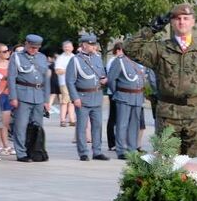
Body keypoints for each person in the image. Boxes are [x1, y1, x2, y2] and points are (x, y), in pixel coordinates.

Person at [126, 3, 197, 156]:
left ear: (193, 21)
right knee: (166, 165)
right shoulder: (160, 49)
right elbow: (130, 48)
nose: (182, 22)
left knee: (194, 166)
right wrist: (152, 28)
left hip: (196, 115)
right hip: (167, 116)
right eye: (177, 18)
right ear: (171, 22)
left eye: (186, 18)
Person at [65, 33, 109, 161]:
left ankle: (97, 151)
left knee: (97, 125)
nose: (93, 46)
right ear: (84, 45)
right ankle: (83, 152)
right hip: (83, 97)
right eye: (91, 44)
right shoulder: (75, 60)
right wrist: (75, 98)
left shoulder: (97, 58)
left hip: (96, 96)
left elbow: (102, 74)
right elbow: (70, 81)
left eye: (94, 44)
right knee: (82, 126)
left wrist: (104, 79)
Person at [7, 34, 51, 162]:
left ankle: (35, 150)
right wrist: (13, 97)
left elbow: (46, 80)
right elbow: (11, 78)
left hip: (38, 95)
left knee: (37, 126)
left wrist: (46, 100)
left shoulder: (42, 58)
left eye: (36, 48)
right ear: (26, 44)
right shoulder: (17, 57)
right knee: (21, 126)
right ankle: (21, 153)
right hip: (23, 94)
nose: (34, 50)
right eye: (32, 47)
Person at [108, 42, 147, 158]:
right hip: (123, 96)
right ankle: (120, 150)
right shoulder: (119, 61)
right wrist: (118, 92)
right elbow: (111, 80)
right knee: (122, 124)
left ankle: (132, 148)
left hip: (137, 97)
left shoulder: (138, 62)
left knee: (135, 125)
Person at [53, 40, 76, 127]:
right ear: (63, 48)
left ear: (72, 48)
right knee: (64, 101)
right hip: (64, 82)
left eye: (69, 47)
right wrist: (69, 71)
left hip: (74, 83)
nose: (67, 48)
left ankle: (72, 119)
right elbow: (58, 70)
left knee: (72, 101)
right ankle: (62, 120)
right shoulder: (61, 58)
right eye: (66, 47)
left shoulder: (74, 57)